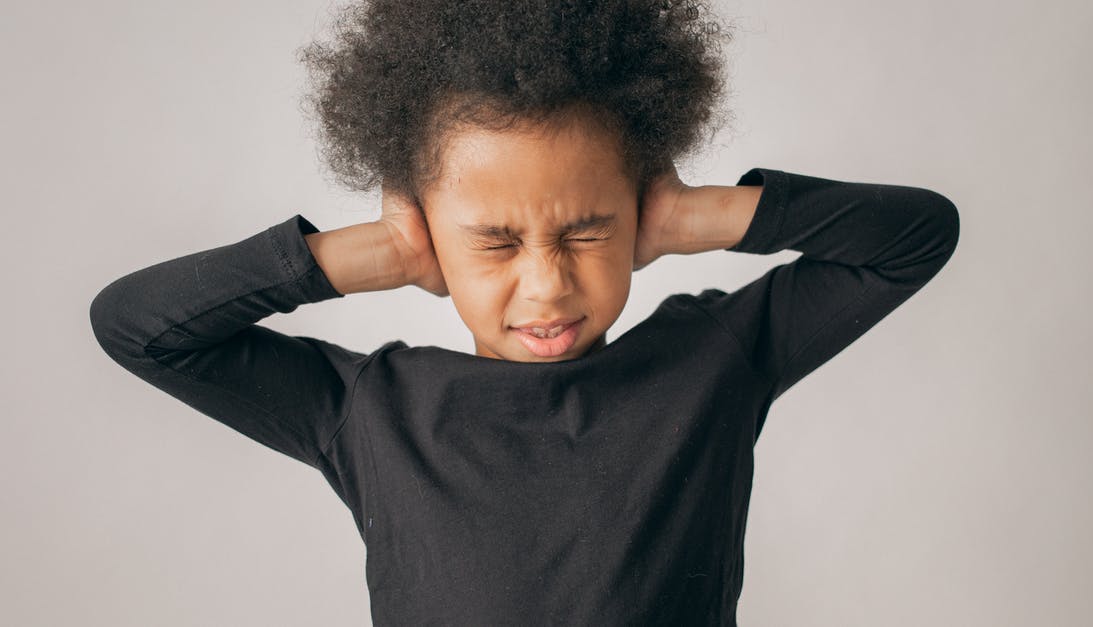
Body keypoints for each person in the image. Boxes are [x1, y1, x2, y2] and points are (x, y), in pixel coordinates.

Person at [88, 0, 960, 624]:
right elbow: (137, 327)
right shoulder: (371, 412)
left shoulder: (714, 360)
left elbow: (916, 237)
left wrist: (702, 215)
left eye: (586, 231)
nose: (545, 286)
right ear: (426, 228)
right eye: (496, 243)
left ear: (640, 208)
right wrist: (368, 256)